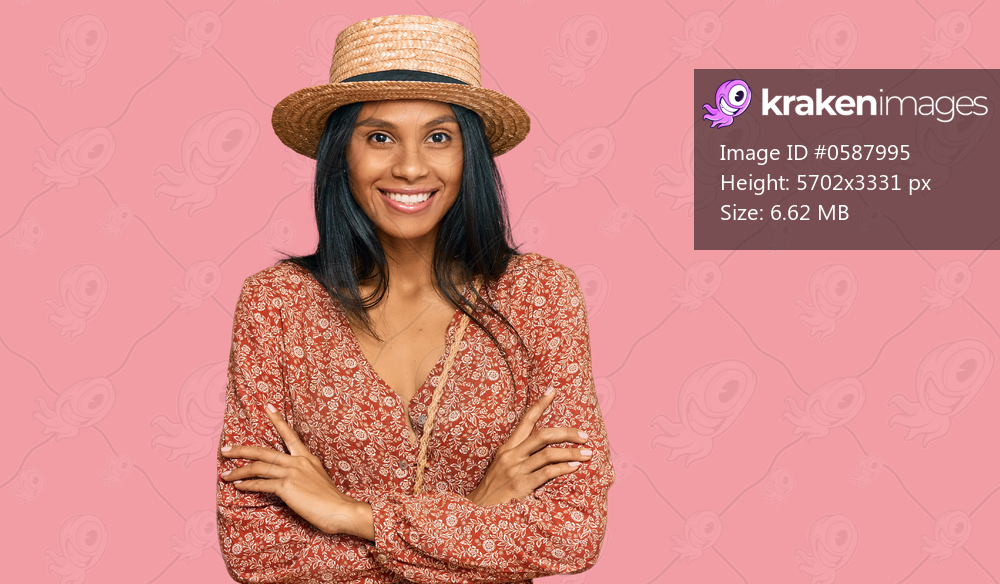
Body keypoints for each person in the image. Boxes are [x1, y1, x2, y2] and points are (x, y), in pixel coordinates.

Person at [216, 14, 614, 584]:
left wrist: (351, 517)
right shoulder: (277, 304)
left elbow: (572, 531)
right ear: (341, 156)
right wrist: (477, 518)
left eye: (438, 136)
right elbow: (255, 552)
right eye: (378, 136)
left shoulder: (539, 297)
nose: (409, 166)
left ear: (467, 155)